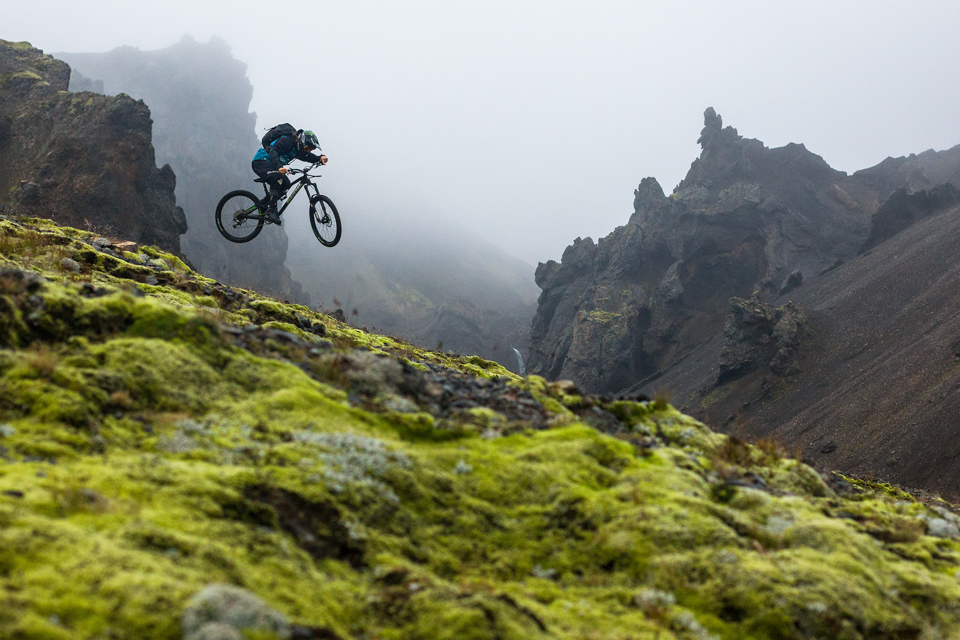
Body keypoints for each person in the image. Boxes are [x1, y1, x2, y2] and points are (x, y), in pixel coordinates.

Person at [251, 129, 327, 224]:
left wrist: (320, 158)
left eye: (310, 149)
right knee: (277, 178)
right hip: (261, 161)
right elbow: (273, 151)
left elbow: (308, 157)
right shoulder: (287, 141)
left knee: (286, 184)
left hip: (272, 165)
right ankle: (272, 210)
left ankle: (263, 205)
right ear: (302, 141)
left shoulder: (298, 150)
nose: (307, 150)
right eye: (307, 147)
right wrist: (279, 167)